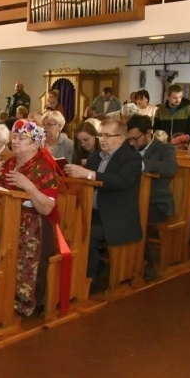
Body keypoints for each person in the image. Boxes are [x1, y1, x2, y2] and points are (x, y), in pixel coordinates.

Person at [0, 120, 60, 316]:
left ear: (36, 144)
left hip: (34, 225)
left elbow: (46, 208)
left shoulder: (44, 167)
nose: (16, 141)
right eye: (15, 137)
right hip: (5, 218)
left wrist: (28, 186)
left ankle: (23, 301)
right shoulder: (9, 163)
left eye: (22, 138)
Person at [64, 119, 143, 294]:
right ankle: (69, 278)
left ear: (122, 138)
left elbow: (122, 181)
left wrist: (89, 174)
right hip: (91, 211)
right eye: (101, 135)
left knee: (88, 235)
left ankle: (89, 282)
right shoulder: (95, 157)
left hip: (116, 216)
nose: (102, 139)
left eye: (108, 135)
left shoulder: (132, 158)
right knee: (66, 227)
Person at [126, 115, 178, 280]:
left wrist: (141, 164)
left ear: (149, 132)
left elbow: (170, 169)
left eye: (135, 139)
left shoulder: (165, 148)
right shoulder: (128, 148)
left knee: (137, 220)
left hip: (157, 202)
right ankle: (124, 262)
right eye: (130, 139)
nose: (132, 143)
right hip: (133, 200)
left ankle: (148, 263)